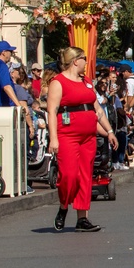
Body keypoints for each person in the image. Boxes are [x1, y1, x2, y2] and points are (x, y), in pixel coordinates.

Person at [46, 47, 118, 232]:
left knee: (85, 176)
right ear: (75, 61)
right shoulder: (58, 82)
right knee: (69, 175)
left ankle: (82, 218)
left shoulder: (86, 82)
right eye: (84, 59)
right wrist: (53, 139)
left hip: (88, 136)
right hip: (67, 135)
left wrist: (109, 131)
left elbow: (98, 110)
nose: (87, 62)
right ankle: (63, 206)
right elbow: (52, 111)